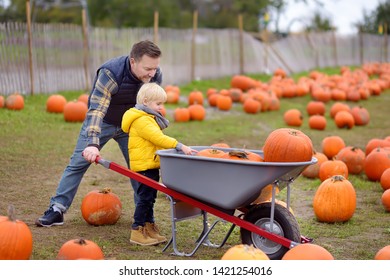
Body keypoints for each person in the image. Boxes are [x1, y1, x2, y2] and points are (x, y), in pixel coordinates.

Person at [36, 40, 163, 227]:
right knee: (77, 164)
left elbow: (149, 108)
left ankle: (143, 216)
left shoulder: (154, 74)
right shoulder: (111, 73)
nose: (152, 73)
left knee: (141, 169)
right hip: (103, 121)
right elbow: (96, 110)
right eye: (147, 68)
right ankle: (57, 209)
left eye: (155, 68)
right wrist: (92, 144)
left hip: (132, 124)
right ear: (133, 61)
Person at [121, 82, 197, 246]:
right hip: (144, 167)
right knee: (144, 199)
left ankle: (148, 227)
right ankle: (137, 230)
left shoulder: (147, 118)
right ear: (146, 102)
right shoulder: (142, 120)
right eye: (158, 104)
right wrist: (179, 145)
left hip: (150, 165)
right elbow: (158, 138)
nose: (161, 107)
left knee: (150, 199)